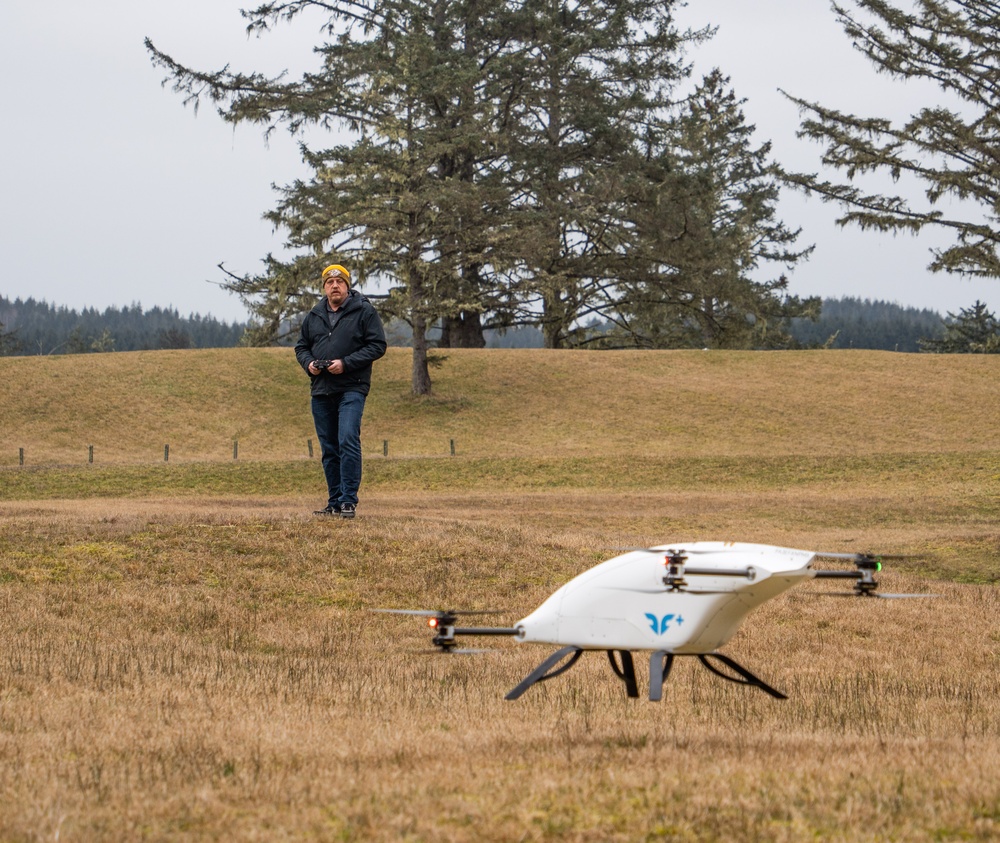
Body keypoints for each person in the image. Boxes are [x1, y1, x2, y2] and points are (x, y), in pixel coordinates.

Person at [295, 263, 386, 518]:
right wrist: (309, 364)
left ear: (347, 285)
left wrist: (345, 364)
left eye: (340, 282)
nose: (335, 286)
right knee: (329, 447)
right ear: (324, 287)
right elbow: (301, 347)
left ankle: (348, 501)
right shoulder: (314, 316)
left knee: (347, 439)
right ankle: (334, 501)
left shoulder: (364, 311)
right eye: (329, 282)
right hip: (321, 389)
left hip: (352, 388)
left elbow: (378, 345)